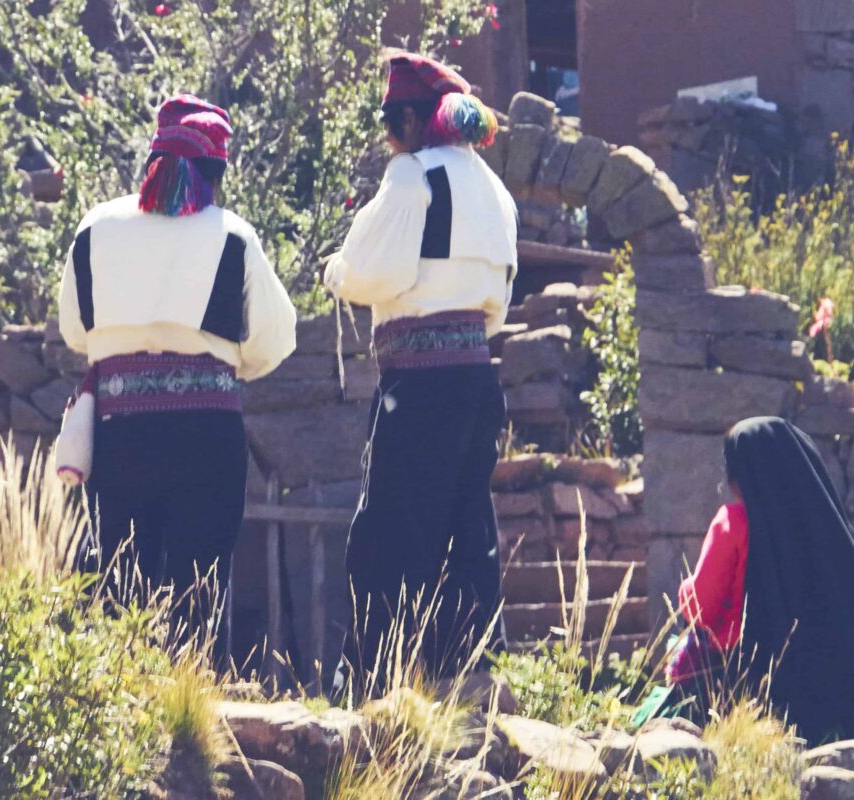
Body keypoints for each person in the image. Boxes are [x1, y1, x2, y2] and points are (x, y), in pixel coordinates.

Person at [58, 94, 297, 661]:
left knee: (120, 584)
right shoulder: (233, 234)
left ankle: (121, 699)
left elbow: (75, 331)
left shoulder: (94, 228)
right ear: (214, 173)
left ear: (153, 162)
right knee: (199, 586)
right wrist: (224, 366)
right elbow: (273, 339)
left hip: (120, 435)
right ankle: (192, 698)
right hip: (206, 435)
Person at [325, 52, 517, 691]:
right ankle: (466, 673)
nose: (388, 139)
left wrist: (335, 271)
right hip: (476, 380)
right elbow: (498, 304)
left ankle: (379, 679)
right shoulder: (495, 191)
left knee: (390, 529)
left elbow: (368, 272)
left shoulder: (413, 177)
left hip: (419, 385)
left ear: (410, 119)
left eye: (390, 125)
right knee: (466, 527)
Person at [669, 416, 854, 770]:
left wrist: (685, 590)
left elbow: (700, 610)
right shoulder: (820, 527)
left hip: (750, 688)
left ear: (741, 474)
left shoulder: (733, 523)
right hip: (832, 682)